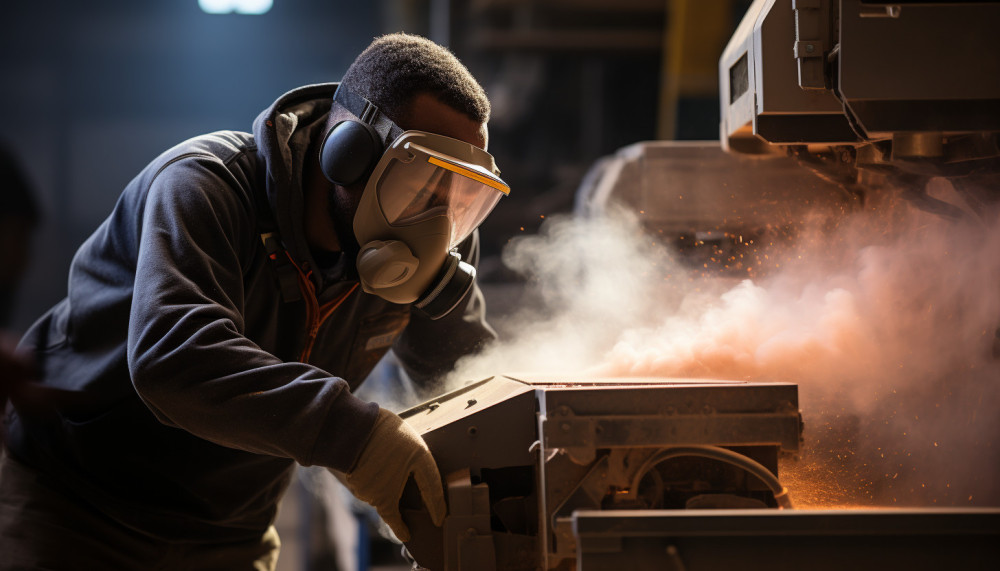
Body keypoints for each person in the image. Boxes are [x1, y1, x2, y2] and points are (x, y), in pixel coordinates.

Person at [0, 32, 508, 570]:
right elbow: (174, 360)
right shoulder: (205, 187)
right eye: (423, 181)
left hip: (231, 535)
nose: (438, 220)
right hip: (77, 514)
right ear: (348, 152)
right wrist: (356, 436)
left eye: (460, 195)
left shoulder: (430, 250)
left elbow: (469, 381)